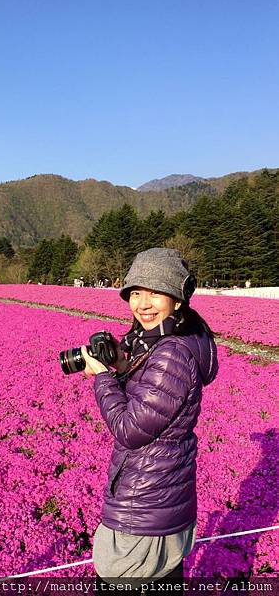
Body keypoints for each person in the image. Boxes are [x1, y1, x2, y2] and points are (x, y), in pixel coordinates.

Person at [80, 248, 218, 594]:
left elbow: (130, 428)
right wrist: (124, 367)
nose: (143, 303)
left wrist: (101, 377)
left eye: (155, 292)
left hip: (145, 502)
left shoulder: (171, 352)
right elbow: (153, 397)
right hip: (161, 495)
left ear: (178, 300)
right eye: (136, 292)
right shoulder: (166, 343)